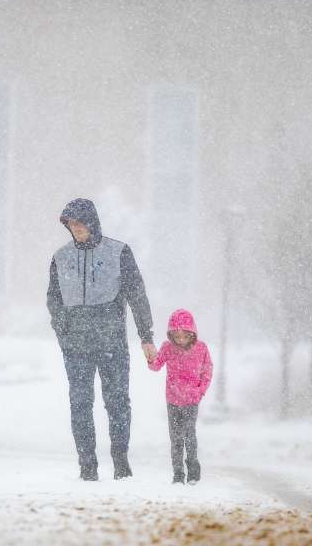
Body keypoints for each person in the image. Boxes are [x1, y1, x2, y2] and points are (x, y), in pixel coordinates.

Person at [46, 198, 157, 481]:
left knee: (117, 402)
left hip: (112, 344)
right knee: (80, 403)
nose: (76, 228)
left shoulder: (119, 252)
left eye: (80, 223)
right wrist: (62, 329)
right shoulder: (60, 258)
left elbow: (137, 295)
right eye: (71, 224)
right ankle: (87, 465)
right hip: (76, 347)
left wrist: (146, 336)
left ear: (92, 223)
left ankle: (121, 461)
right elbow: (54, 299)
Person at [147, 308, 212, 484]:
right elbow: (155, 366)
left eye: (184, 336)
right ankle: (177, 474)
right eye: (177, 336)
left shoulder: (201, 349)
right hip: (173, 400)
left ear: (192, 333)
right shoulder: (167, 348)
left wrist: (200, 392)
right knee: (175, 439)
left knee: (189, 435)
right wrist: (151, 357)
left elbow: (207, 372)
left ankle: (193, 470)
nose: (181, 340)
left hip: (191, 401)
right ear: (171, 335)